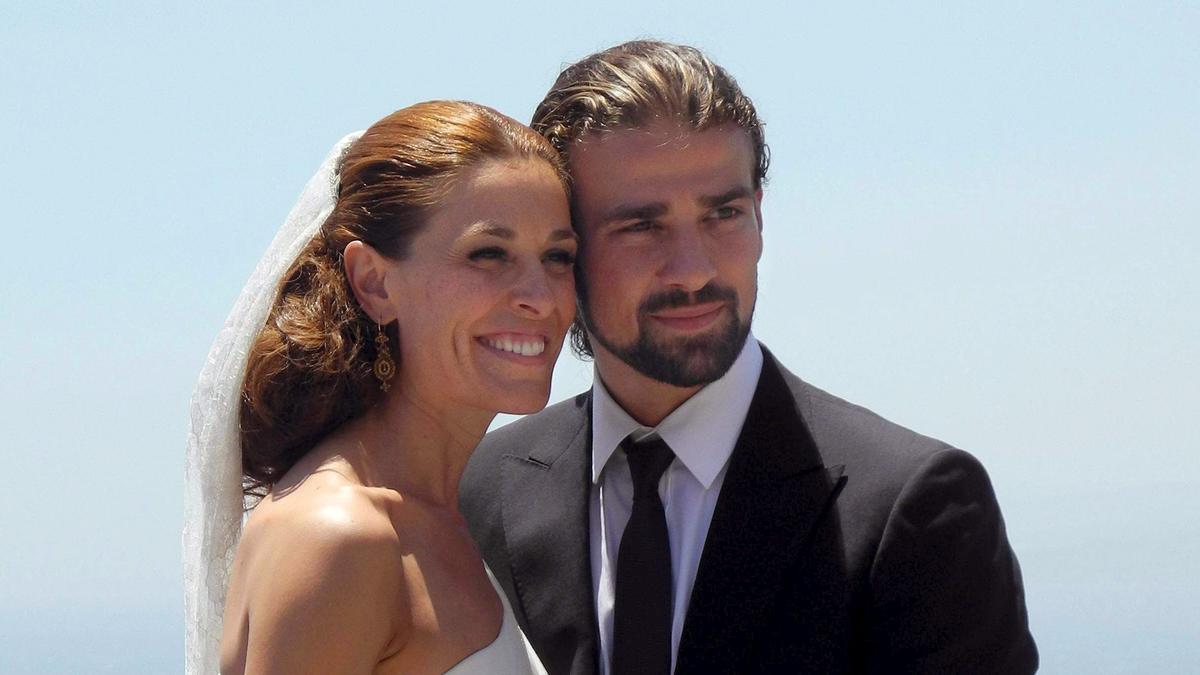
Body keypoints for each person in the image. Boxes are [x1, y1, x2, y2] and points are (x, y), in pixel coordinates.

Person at [460, 41, 1038, 674]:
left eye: (723, 214)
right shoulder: (483, 491)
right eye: (641, 226)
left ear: (759, 216)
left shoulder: (915, 508)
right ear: (564, 249)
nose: (693, 269)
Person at [184, 100, 577, 674]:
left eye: (558, 256)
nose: (540, 297)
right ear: (374, 282)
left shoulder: (440, 517)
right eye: (488, 254)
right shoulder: (341, 537)